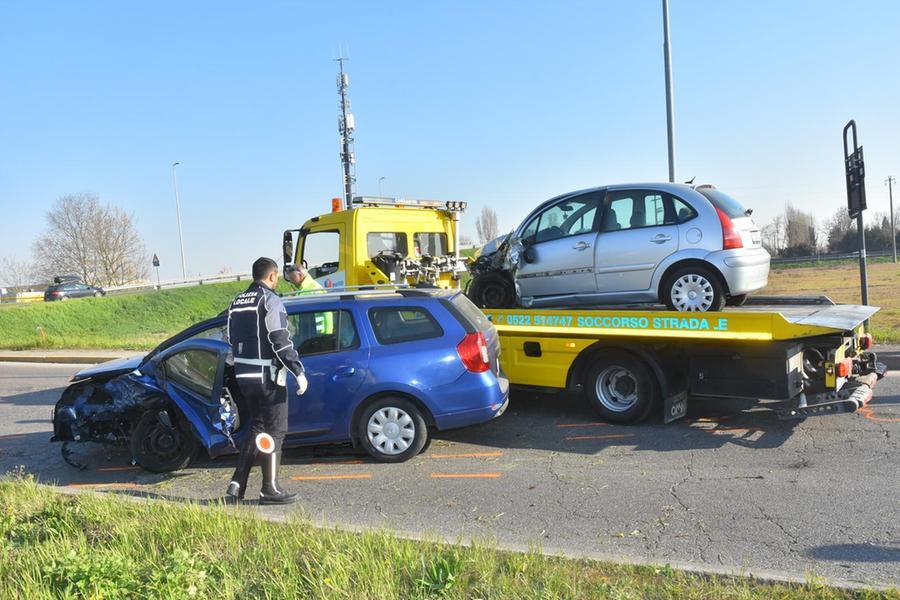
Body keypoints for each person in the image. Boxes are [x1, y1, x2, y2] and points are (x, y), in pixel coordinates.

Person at [225, 257, 307, 504]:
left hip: (244, 375)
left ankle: (236, 486)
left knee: (258, 428)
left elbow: (230, 339)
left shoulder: (236, 302)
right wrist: (297, 370)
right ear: (272, 276)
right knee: (276, 430)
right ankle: (269, 489)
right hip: (267, 376)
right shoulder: (270, 300)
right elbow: (279, 339)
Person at [285, 265, 333, 334]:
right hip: (308, 333)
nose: (291, 281)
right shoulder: (302, 289)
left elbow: (327, 313)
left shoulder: (315, 289)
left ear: (300, 275)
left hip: (318, 334)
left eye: (292, 278)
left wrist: (328, 335)